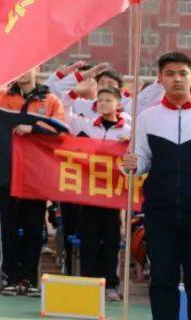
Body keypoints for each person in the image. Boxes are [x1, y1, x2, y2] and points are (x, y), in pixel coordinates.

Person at [123, 52, 191, 320]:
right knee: (163, 281)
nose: (177, 79)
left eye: (182, 73)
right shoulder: (148, 118)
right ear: (160, 78)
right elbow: (141, 161)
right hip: (160, 212)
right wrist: (129, 164)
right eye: (170, 73)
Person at [0, 65, 66, 295]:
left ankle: (30, 279)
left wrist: (32, 128)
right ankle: (10, 277)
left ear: (38, 68)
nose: (22, 71)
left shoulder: (50, 100)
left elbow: (62, 131)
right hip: (6, 174)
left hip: (35, 176)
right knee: (9, 229)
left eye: (28, 66)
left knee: (34, 230)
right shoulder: (0, 97)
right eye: (18, 65)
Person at [65, 86, 129, 301]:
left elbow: (140, 150)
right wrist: (74, 92)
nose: (103, 103)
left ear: (118, 104)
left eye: (108, 100)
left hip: (112, 197)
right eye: (100, 100)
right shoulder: (86, 126)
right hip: (88, 194)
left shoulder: (128, 130)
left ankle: (111, 284)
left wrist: (128, 141)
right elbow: (63, 111)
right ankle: (89, 283)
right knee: (88, 240)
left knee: (111, 241)